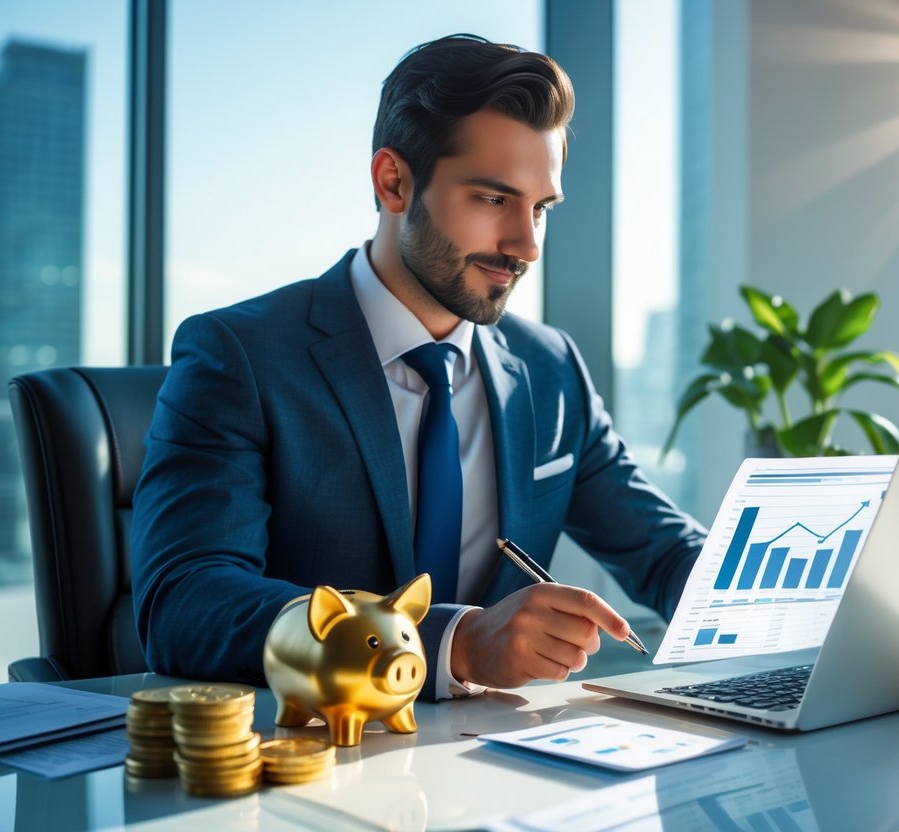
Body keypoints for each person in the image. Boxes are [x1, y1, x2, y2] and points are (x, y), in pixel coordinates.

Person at [131, 34, 706, 702]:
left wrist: (801, 604)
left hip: (499, 764)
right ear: (393, 181)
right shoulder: (241, 355)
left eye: (540, 208)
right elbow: (186, 602)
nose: (525, 245)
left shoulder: (550, 368)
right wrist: (451, 644)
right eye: (493, 200)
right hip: (309, 765)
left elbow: (665, 555)